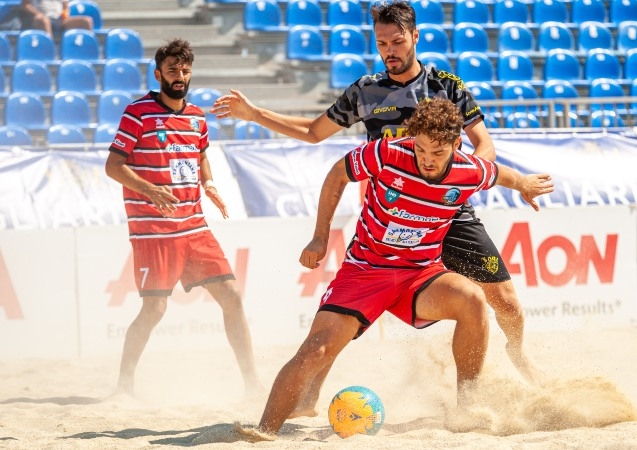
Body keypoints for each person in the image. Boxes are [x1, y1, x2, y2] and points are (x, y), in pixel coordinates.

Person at [211, 0, 542, 415]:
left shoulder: (447, 86)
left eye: (398, 40)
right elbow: (315, 133)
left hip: (448, 211)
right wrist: (254, 113)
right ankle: (309, 396)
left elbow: (484, 146)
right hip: (391, 216)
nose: (390, 50)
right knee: (342, 320)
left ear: (416, 37)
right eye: (382, 42)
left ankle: (518, 352)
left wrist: (456, 181)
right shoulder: (366, 91)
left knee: (504, 301)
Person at [235, 98, 554, 442]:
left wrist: (524, 184)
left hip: (419, 274)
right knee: (315, 350)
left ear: (456, 145)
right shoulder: (386, 153)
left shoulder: (470, 169)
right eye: (421, 149)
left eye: (438, 152)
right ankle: (264, 431)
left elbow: (501, 174)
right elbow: (336, 175)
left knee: (473, 299)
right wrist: (319, 237)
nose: (427, 160)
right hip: (365, 272)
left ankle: (467, 405)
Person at [104, 38, 260, 398]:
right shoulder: (138, 112)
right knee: (155, 308)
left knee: (232, 296)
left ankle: (252, 382)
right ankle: (124, 385)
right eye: (173, 69)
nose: (180, 75)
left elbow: (201, 155)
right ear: (159, 73)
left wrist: (209, 184)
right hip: (154, 230)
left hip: (194, 225)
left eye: (185, 70)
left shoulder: (196, 116)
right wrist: (150, 190)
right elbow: (113, 166)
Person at [20, 0, 92, 37]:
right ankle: (49, 48)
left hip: (59, 19)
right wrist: (38, 14)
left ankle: (87, 48)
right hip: (42, 18)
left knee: (86, 21)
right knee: (44, 20)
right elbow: (25, 5)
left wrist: (65, 14)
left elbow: (65, 7)